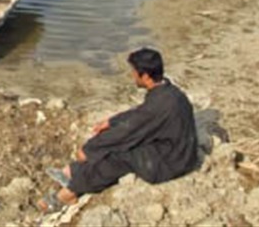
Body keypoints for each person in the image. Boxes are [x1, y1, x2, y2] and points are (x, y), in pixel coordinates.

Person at [41, 48, 198, 211]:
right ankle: (74, 172)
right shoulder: (168, 91)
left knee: (117, 155)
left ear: (145, 76)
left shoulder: (158, 105)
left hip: (173, 162)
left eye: (134, 72)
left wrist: (90, 149)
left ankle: (69, 194)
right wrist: (111, 122)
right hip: (181, 152)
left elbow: (128, 131)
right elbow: (140, 114)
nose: (132, 75)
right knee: (117, 145)